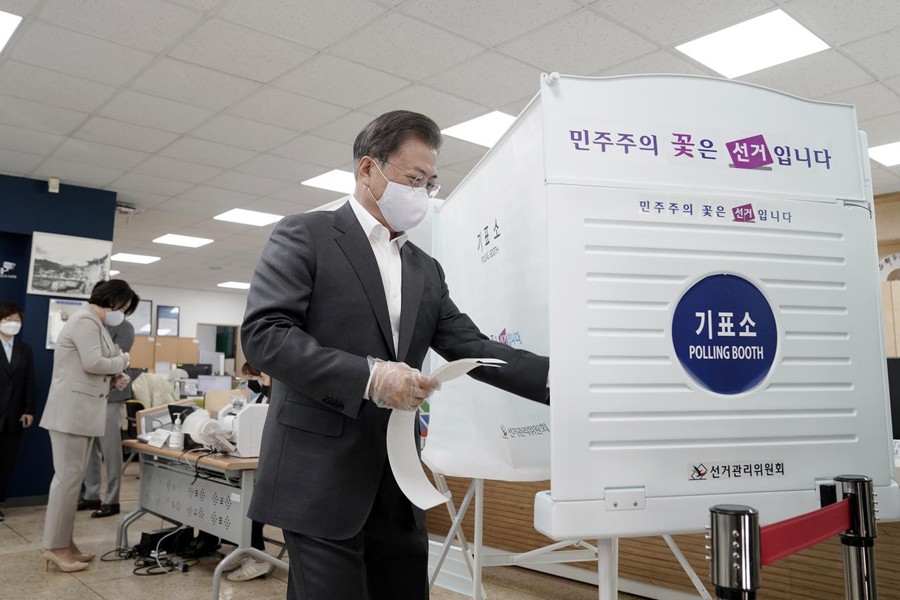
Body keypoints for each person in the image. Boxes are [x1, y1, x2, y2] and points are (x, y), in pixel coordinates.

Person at [241, 110, 549, 600]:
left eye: (431, 182)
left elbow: (473, 347)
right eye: (413, 179)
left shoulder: (424, 268)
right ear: (369, 169)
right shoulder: (307, 235)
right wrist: (369, 376)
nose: (423, 193)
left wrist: (571, 383)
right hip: (319, 473)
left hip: (396, 476)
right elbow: (265, 335)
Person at [40, 280, 134, 573]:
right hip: (71, 414)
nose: (123, 314)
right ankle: (55, 547)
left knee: (71, 481)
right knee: (67, 481)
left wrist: (115, 375)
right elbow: (94, 362)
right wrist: (121, 360)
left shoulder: (94, 322)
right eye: (123, 308)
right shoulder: (85, 320)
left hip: (81, 413)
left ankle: (65, 543)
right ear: (113, 301)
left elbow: (92, 367)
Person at [78, 289, 140, 518]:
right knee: (91, 448)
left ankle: (113, 500)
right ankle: (91, 494)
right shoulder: (91, 324)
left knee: (110, 449)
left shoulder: (124, 327)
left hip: (112, 395)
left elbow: (119, 359)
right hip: (91, 394)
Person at [222, 362, 276, 582]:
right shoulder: (259, 401)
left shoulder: (275, 402)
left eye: (262, 378)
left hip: (268, 470)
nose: (257, 383)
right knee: (231, 493)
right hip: (255, 464)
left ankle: (259, 557)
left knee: (247, 503)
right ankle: (244, 549)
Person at [0, 302, 36, 522]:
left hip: (13, 416)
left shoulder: (25, 349)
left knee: (5, 463)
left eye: (16, 319)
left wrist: (29, 410)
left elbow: (29, 382)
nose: (12, 323)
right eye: (7, 319)